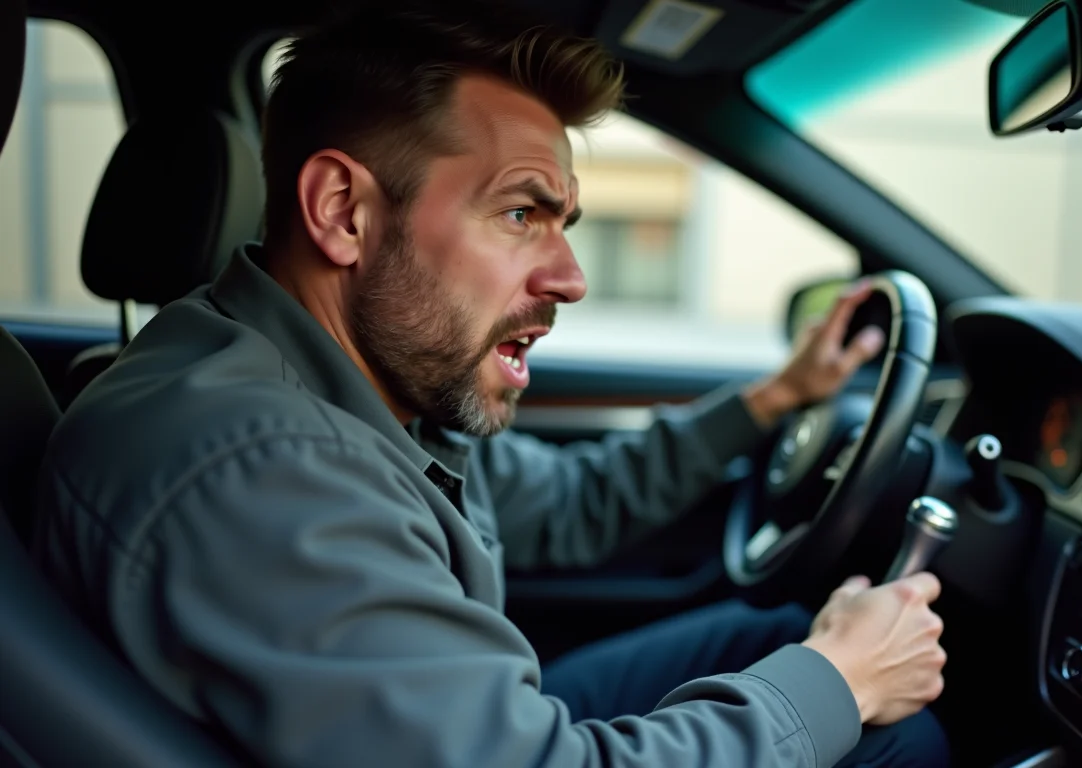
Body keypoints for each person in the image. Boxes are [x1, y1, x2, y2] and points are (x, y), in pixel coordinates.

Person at [33, 2, 949, 766]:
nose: (570, 277)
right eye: (520, 213)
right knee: (879, 736)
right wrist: (840, 681)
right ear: (343, 212)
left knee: (770, 636)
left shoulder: (360, 393)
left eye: (563, 222)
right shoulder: (260, 465)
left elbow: (573, 503)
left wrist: (778, 398)